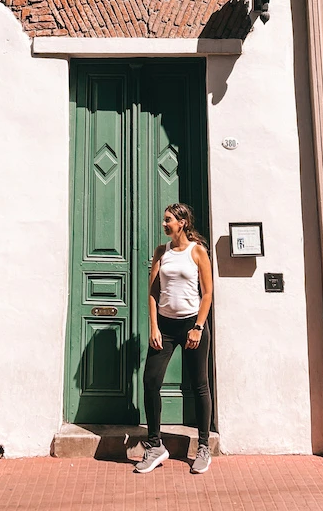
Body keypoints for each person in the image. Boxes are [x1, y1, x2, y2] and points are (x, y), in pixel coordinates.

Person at [135, 202, 213, 475]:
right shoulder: (161, 252)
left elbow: (207, 294)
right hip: (165, 327)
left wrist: (199, 327)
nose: (164, 224)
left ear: (182, 223)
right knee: (150, 382)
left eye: (168, 220)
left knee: (199, 385)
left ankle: (203, 446)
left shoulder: (197, 252)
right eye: (164, 219)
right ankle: (155, 445)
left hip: (192, 326)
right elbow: (153, 292)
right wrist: (154, 327)